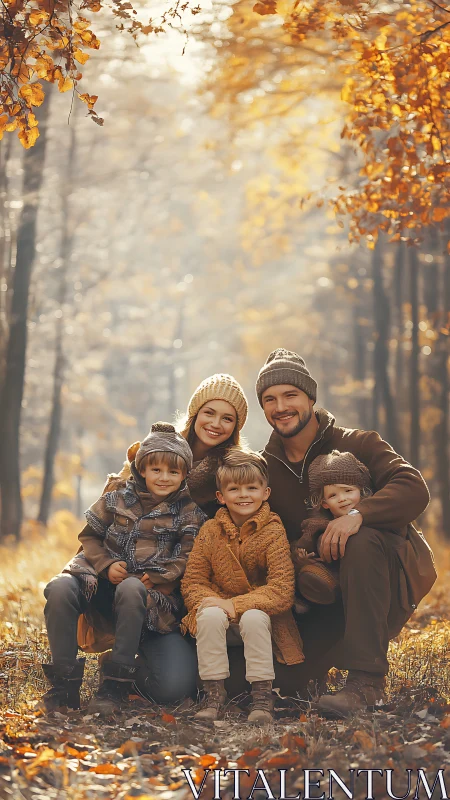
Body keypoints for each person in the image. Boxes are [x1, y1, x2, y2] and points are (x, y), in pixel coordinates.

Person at [256, 348, 436, 717]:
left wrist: (358, 514)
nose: (281, 406)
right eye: (270, 399)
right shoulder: (264, 468)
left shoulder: (359, 442)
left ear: (310, 398)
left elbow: (413, 487)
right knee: (280, 686)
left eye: (291, 395)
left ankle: (365, 682)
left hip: (378, 581)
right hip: (316, 595)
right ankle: (319, 671)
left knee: (362, 538)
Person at [93, 374, 249, 702]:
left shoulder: (231, 468)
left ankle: (133, 666)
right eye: (209, 413)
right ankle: (117, 665)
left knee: (178, 688)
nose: (216, 424)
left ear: (236, 427)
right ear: (195, 413)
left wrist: (169, 579)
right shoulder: (159, 448)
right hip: (127, 576)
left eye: (227, 418)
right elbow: (111, 512)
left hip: (180, 587)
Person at [40, 423, 206, 715]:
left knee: (172, 686)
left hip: (152, 603)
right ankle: (64, 687)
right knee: (60, 588)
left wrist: (158, 576)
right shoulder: (116, 498)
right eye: (156, 470)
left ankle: (115, 683)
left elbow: (190, 555)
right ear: (141, 469)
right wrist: (106, 565)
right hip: (102, 587)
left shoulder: (189, 511)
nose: (164, 478)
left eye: (173, 472)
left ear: (184, 475)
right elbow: (89, 536)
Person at [181, 449, 304, 723]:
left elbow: (282, 589)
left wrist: (234, 604)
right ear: (221, 497)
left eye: (252, 487)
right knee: (209, 614)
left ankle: (262, 698)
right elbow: (193, 582)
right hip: (219, 618)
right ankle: (213, 694)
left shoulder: (273, 530)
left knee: (254, 616)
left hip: (262, 619)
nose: (244, 494)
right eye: (235, 489)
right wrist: (216, 604)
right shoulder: (211, 531)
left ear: (266, 492)